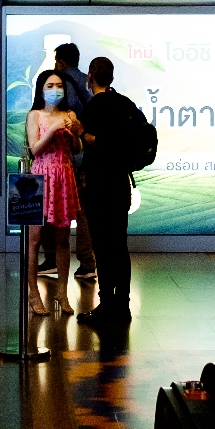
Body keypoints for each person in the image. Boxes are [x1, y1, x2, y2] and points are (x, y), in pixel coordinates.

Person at [75, 55, 135, 328]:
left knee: (102, 247)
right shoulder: (124, 103)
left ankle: (107, 305)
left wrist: (82, 132)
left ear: (90, 77)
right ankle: (123, 305)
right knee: (119, 246)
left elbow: (100, 143)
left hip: (100, 186)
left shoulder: (96, 106)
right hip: (121, 184)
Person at [25, 67, 83, 316]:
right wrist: (53, 128)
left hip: (64, 176)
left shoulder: (69, 114)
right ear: (41, 90)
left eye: (59, 86)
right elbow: (35, 149)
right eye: (50, 86)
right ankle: (33, 293)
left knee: (63, 239)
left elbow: (77, 149)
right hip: (40, 178)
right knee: (34, 239)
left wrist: (75, 132)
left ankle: (62, 292)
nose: (55, 90)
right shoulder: (35, 115)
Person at [38, 43, 98, 281]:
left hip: (63, 159)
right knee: (83, 213)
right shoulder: (87, 82)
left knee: (52, 208)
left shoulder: (60, 84)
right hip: (85, 154)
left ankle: (51, 259)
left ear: (61, 61)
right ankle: (87, 263)